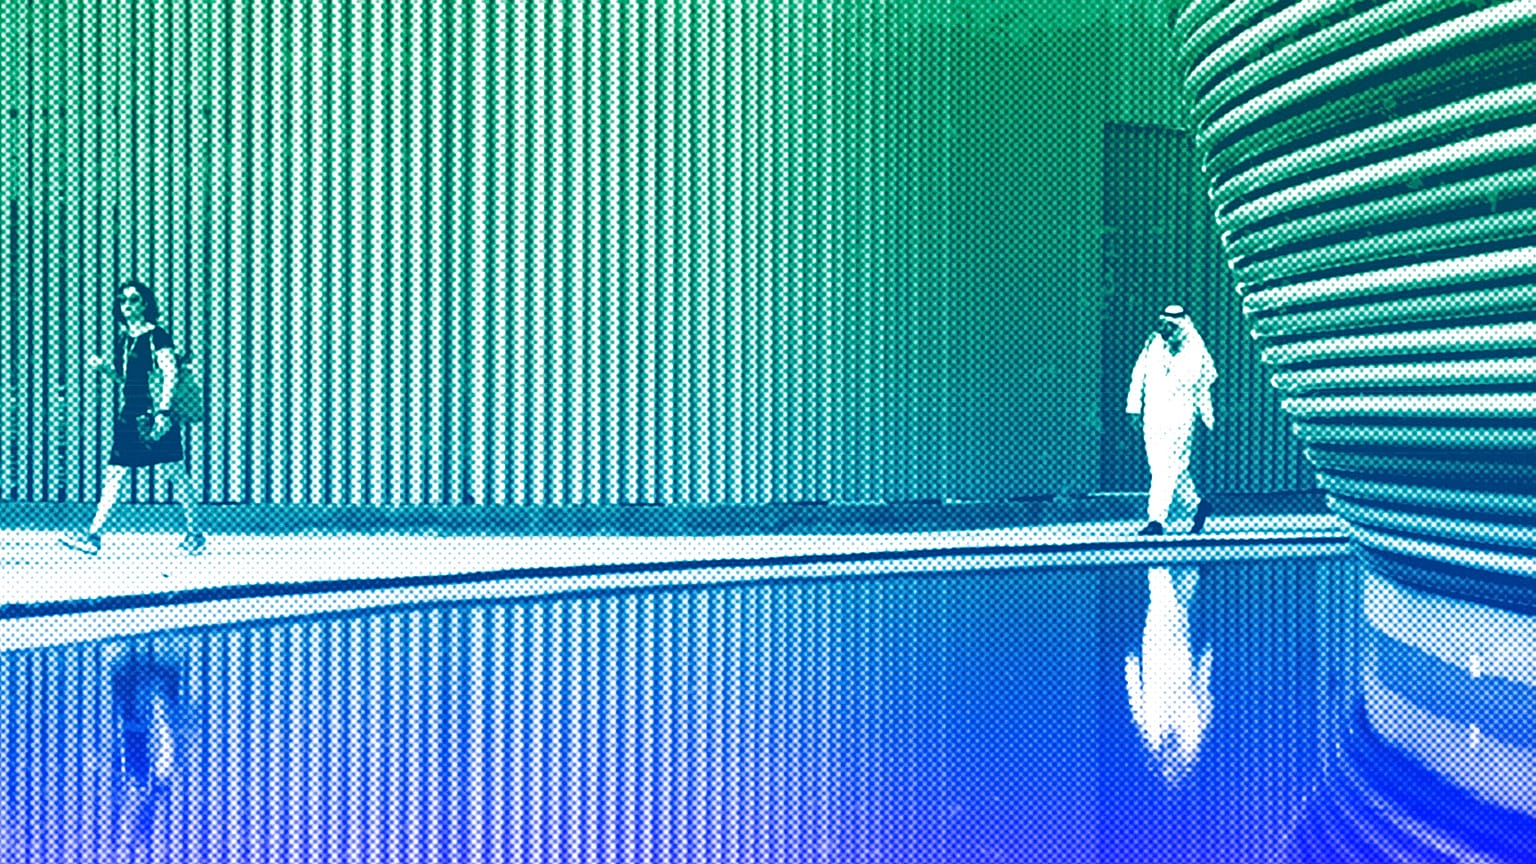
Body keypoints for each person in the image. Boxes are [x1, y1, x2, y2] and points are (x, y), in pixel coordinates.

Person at [60, 279, 204, 556]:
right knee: (117, 473)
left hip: (153, 413)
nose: (127, 305)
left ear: (146, 303)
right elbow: (128, 380)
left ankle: (194, 534)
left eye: (134, 299)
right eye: (122, 300)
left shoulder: (157, 336)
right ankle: (93, 535)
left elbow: (169, 373)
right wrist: (105, 370)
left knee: (175, 473)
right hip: (131, 413)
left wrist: (163, 412)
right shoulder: (124, 339)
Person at [1125, 305, 1217, 536]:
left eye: (1171, 325)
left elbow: (1194, 378)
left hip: (1180, 418)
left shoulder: (1193, 347)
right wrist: (1134, 407)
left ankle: (1156, 520)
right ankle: (1198, 506)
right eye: (1163, 324)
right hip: (1152, 416)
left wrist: (1174, 352)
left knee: (1163, 468)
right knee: (1175, 468)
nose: (1165, 329)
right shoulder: (1153, 343)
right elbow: (1139, 374)